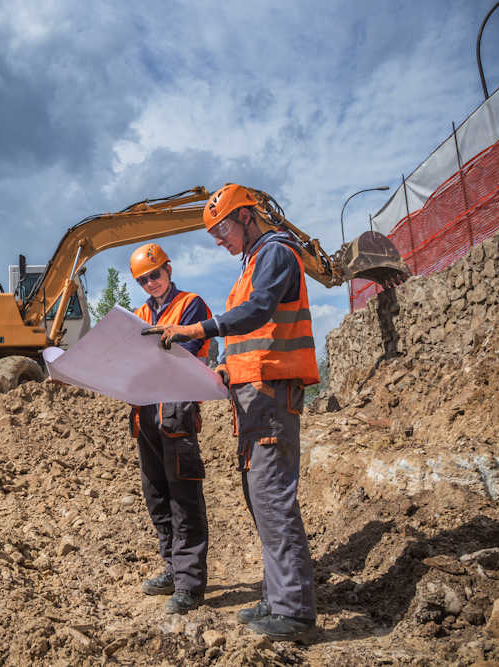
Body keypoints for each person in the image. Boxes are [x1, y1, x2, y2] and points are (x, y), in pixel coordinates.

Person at [142, 184, 320, 641]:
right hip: (253, 401)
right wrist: (221, 369)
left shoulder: (276, 253)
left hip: (272, 396)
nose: (218, 240)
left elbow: (258, 313)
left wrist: (198, 328)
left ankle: (293, 611)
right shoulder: (252, 263)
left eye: (220, 229)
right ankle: (279, 596)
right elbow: (247, 338)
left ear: (246, 217)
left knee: (273, 499)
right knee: (260, 499)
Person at [128, 242, 213, 615]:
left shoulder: (191, 305)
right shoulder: (137, 314)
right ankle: (172, 570)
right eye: (143, 279)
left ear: (169, 270)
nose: (151, 283)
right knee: (157, 496)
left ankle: (190, 584)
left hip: (176, 411)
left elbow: (188, 351)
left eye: (155, 275)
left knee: (184, 499)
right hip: (145, 413)